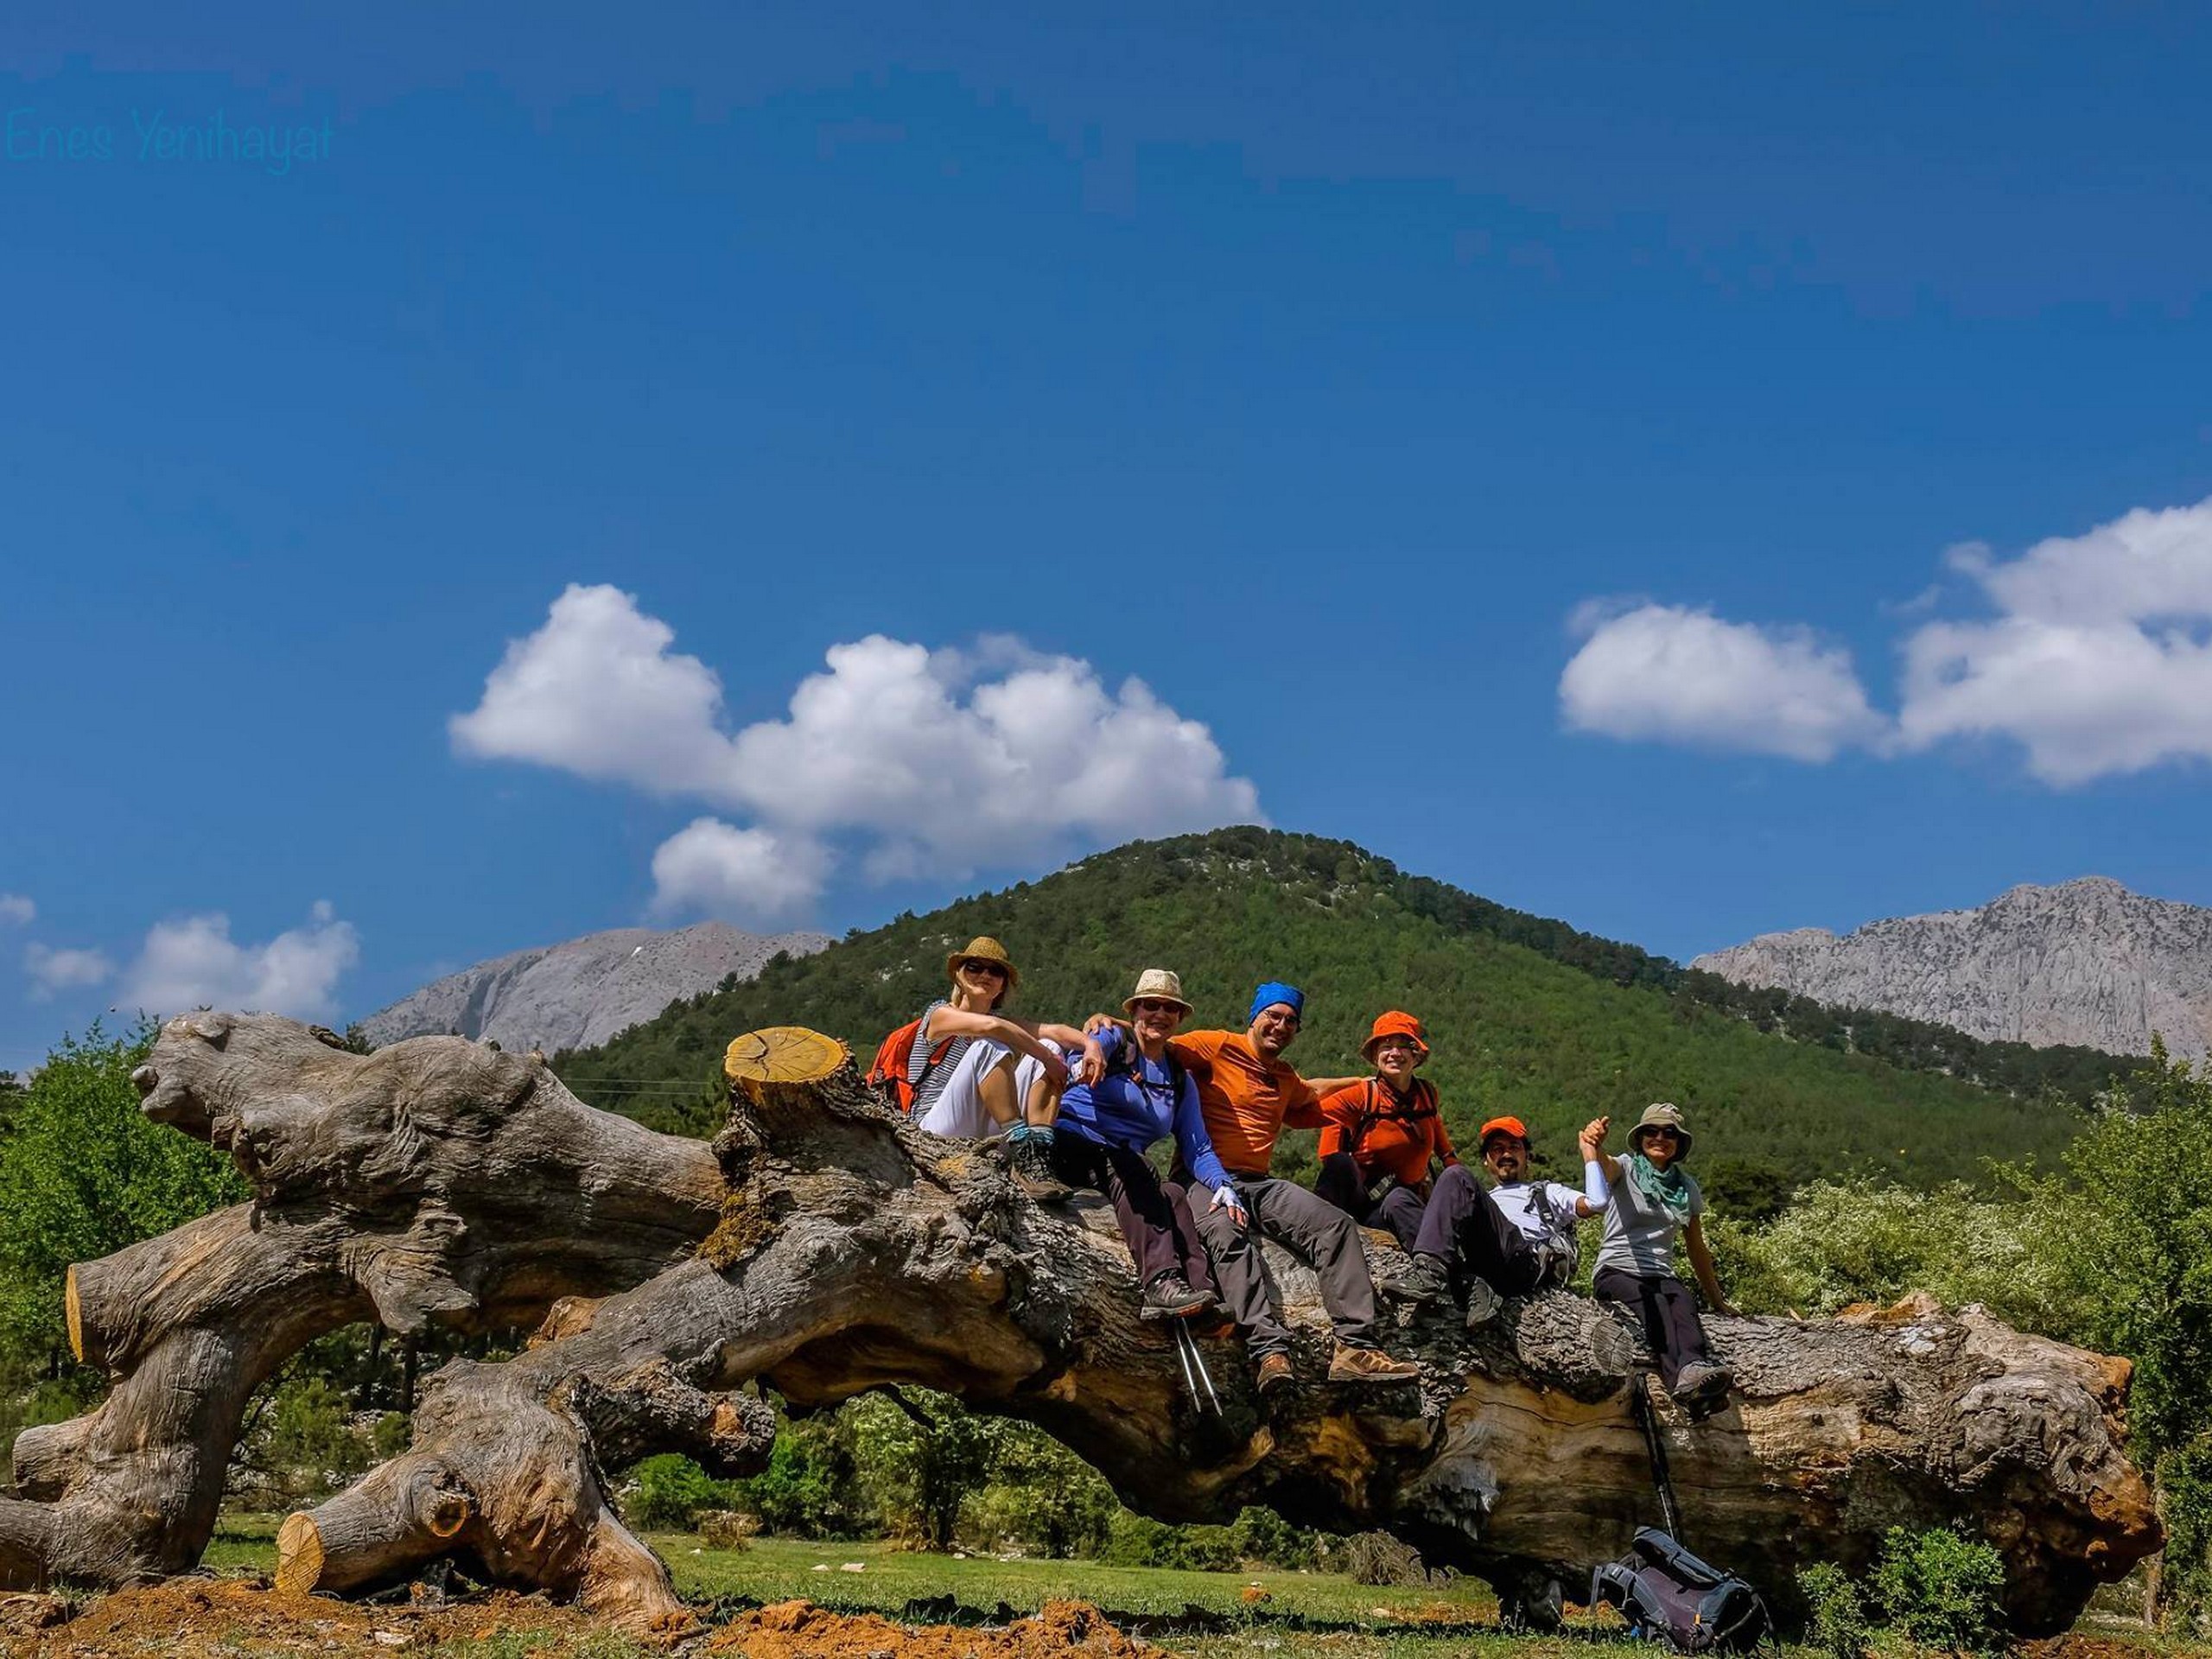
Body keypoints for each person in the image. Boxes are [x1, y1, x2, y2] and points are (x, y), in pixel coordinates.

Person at [1096, 980, 1421, 1393]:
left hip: (1260, 1183)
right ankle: (1268, 1350)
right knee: (1225, 1232)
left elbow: (1309, 1092)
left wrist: (1362, 1082)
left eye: (1290, 1021)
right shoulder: (1216, 1046)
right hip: (1202, 1176)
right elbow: (1155, 1040)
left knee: (1335, 1225)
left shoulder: (1283, 1076)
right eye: (1273, 1015)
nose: (1280, 1025)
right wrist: (1109, 1027)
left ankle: (1354, 1348)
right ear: (1255, 1016)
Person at [1052, 969, 1243, 1319]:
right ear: (1134, 1012)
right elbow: (1095, 1044)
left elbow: (1197, 1147)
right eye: (1151, 1006)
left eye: (1170, 1008)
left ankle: (1201, 1292)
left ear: (1180, 1017)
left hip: (1120, 1162)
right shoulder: (1115, 1041)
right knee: (1138, 1168)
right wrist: (1091, 1052)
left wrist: (1223, 1186)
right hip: (1073, 1143)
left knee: (1173, 1194)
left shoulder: (1179, 1079)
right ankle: (1160, 1283)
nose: (1160, 1014)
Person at [893, 937, 1104, 1198]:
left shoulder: (999, 1021)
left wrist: (1090, 1045)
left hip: (984, 1132)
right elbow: (992, 1028)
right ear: (959, 975)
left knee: (1050, 1046)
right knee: (991, 1046)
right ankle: (1018, 1141)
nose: (985, 975)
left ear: (1003, 984)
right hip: (933, 1130)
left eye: (995, 971)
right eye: (975, 967)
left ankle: (1035, 1157)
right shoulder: (939, 1014)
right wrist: (1049, 1061)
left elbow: (1053, 1031)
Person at [1585, 1103, 1737, 1411]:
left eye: (1669, 1133)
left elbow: (1696, 1248)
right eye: (1651, 1131)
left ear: (1678, 1143)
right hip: (1616, 1272)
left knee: (1683, 1305)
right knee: (1653, 1306)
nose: (1660, 1137)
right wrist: (1596, 1144)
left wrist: (1718, 1301)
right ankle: (1679, 1381)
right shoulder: (1625, 1168)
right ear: (1641, 1137)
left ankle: (1695, 1370)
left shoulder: (1686, 1188)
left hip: (1661, 1275)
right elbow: (1604, 1162)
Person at [1313, 1011, 1463, 1250]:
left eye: (1403, 1046)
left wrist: (1451, 1163)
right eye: (1386, 1046)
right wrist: (1350, 1082)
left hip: (1408, 1200)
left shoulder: (1426, 1094)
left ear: (1416, 1056)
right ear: (1376, 1057)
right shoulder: (1361, 1096)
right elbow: (1310, 1114)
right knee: (1340, 1164)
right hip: (1365, 1201)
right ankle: (1320, 1236)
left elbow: (1434, 1124)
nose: (1395, 1053)